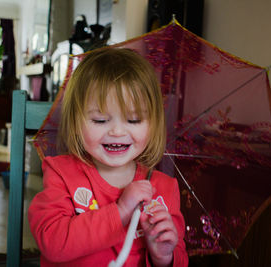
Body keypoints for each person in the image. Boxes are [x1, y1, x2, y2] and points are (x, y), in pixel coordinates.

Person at [28, 48, 188, 267]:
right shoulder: (62, 173)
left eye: (133, 120)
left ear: (153, 124)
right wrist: (120, 211)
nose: (117, 132)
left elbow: (179, 257)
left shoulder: (163, 188)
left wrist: (163, 257)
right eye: (100, 120)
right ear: (76, 121)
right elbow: (52, 243)